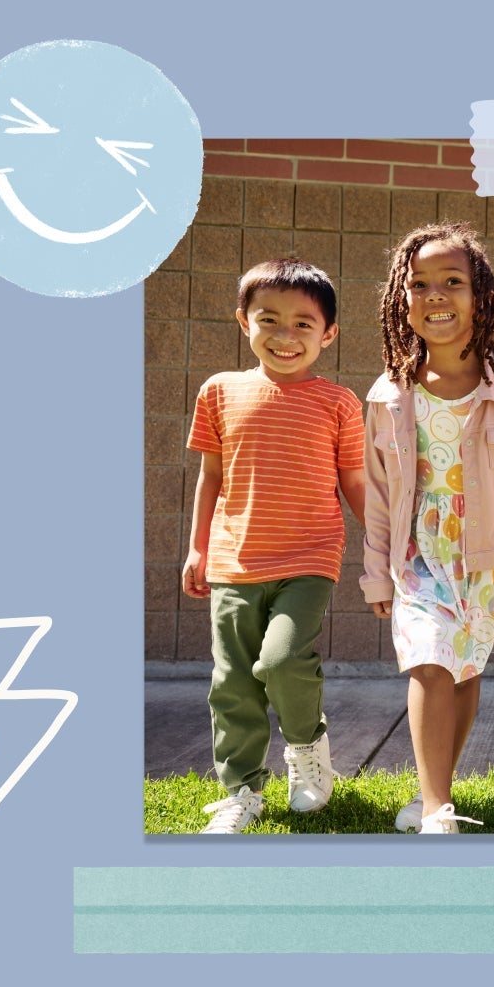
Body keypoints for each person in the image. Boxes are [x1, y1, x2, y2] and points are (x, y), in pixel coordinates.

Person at [361, 223, 494, 835]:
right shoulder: (388, 394)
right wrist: (376, 572)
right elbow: (379, 493)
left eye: (452, 282)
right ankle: (436, 810)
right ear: (403, 299)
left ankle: (435, 787)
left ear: (480, 295)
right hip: (417, 553)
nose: (435, 295)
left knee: (466, 669)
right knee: (430, 662)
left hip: (490, 553)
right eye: (420, 283)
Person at [182, 258, 367, 834]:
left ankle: (308, 748)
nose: (286, 336)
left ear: (328, 333)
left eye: (303, 324)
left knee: (282, 661)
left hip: (309, 560)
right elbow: (211, 477)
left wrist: (386, 547)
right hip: (233, 561)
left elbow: (354, 483)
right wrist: (196, 548)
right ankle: (241, 790)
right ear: (244, 322)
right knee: (233, 679)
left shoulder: (339, 403)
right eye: (269, 320)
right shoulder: (220, 391)